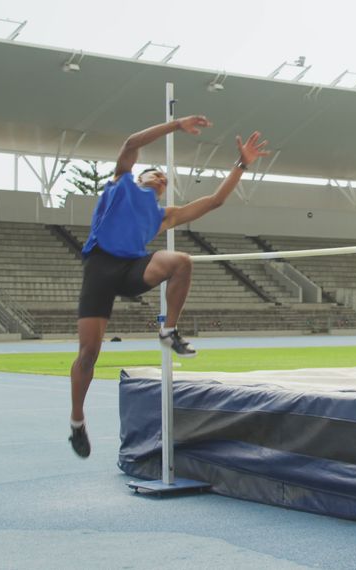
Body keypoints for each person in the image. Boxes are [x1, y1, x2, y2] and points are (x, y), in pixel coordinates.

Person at [68, 115, 270, 458]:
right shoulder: (121, 184)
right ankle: (76, 422)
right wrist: (175, 126)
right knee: (88, 355)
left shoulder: (163, 215)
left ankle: (169, 329)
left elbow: (214, 201)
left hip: (133, 268)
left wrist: (241, 164)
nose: (160, 176)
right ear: (140, 176)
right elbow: (132, 142)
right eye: (154, 172)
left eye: (164, 177)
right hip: (100, 267)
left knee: (181, 262)